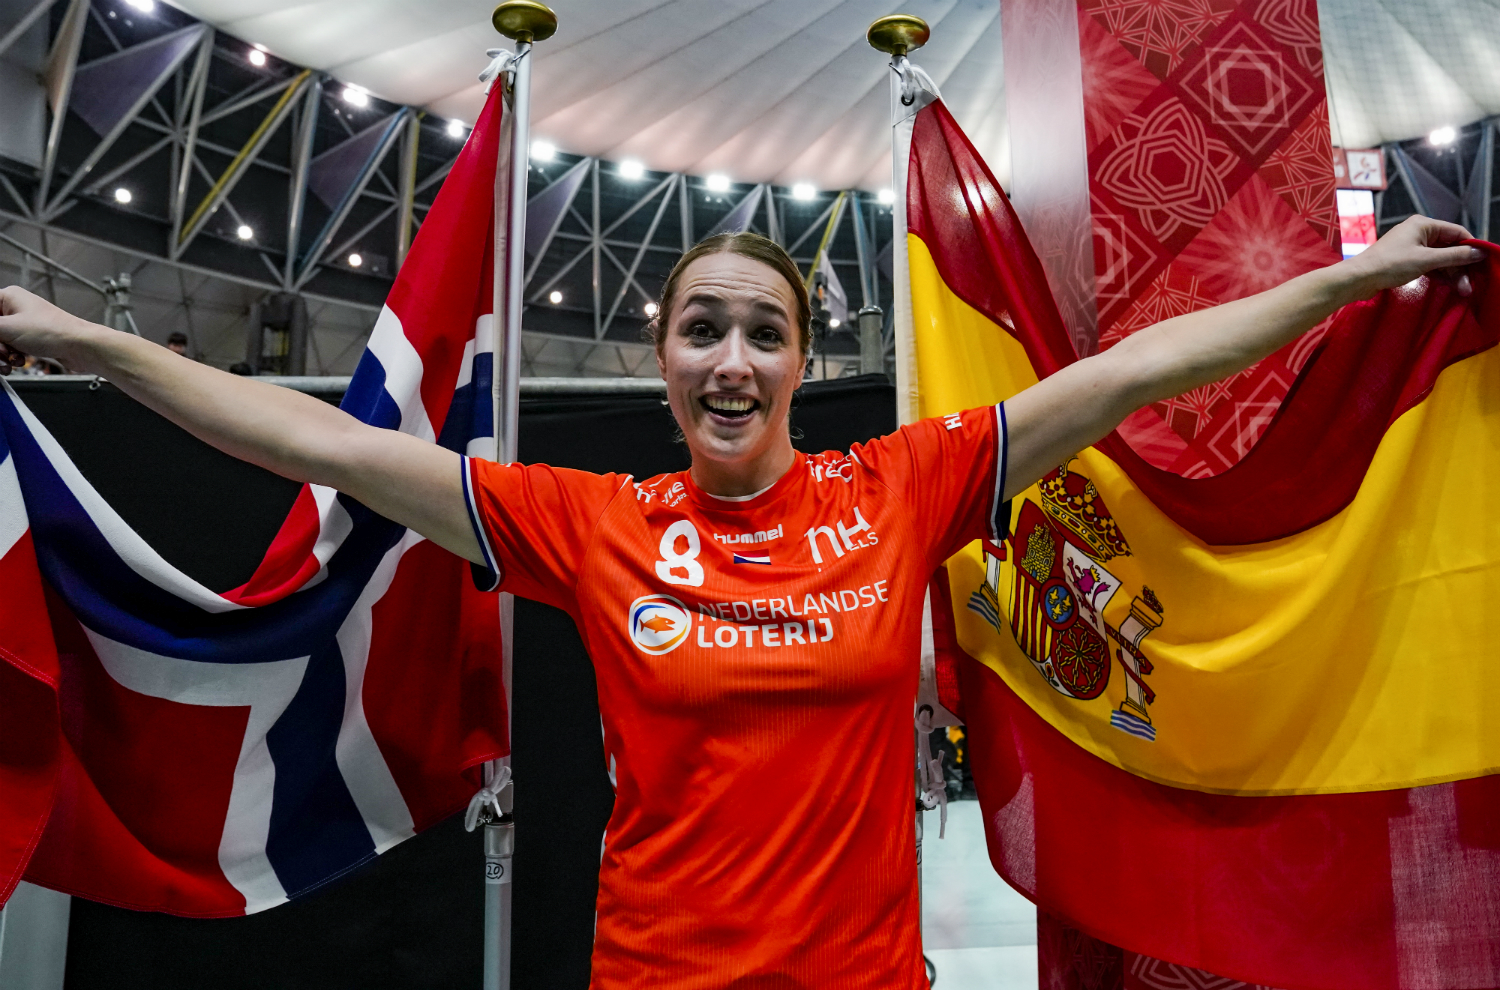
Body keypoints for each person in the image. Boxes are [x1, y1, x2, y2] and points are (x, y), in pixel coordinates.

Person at [0, 219, 1483, 987]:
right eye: (701, 327)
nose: (729, 358)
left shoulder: (898, 488)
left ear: (794, 360)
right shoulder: (590, 523)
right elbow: (316, 440)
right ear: (664, 358)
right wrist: (85, 338)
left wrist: (1345, 286)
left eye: (760, 333)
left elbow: (1133, 373)